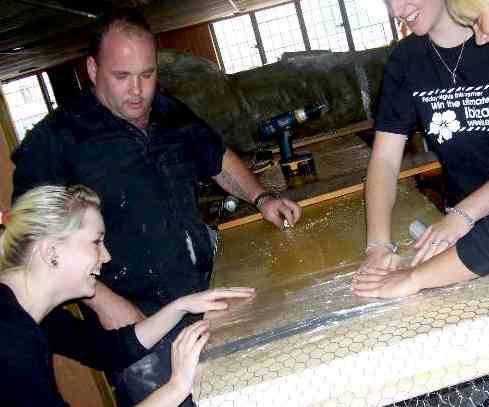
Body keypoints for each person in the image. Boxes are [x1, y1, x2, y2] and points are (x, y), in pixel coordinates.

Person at [10, 8, 300, 405]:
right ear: (93, 70)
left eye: (147, 75)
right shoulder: (56, 140)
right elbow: (35, 232)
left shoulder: (168, 110)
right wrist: (103, 301)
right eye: (122, 76)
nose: (137, 90)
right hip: (133, 314)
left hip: (201, 291)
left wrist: (262, 197)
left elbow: (214, 156)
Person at [354, 0, 489, 404]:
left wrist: (466, 215)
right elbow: (383, 159)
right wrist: (378, 245)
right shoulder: (407, 61)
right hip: (471, 240)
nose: (397, 7)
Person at [0, 184, 255, 407]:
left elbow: (110, 350)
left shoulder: (30, 312)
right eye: (96, 242)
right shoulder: (12, 340)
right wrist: (177, 386)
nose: (107, 256)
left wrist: (181, 306)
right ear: (51, 252)